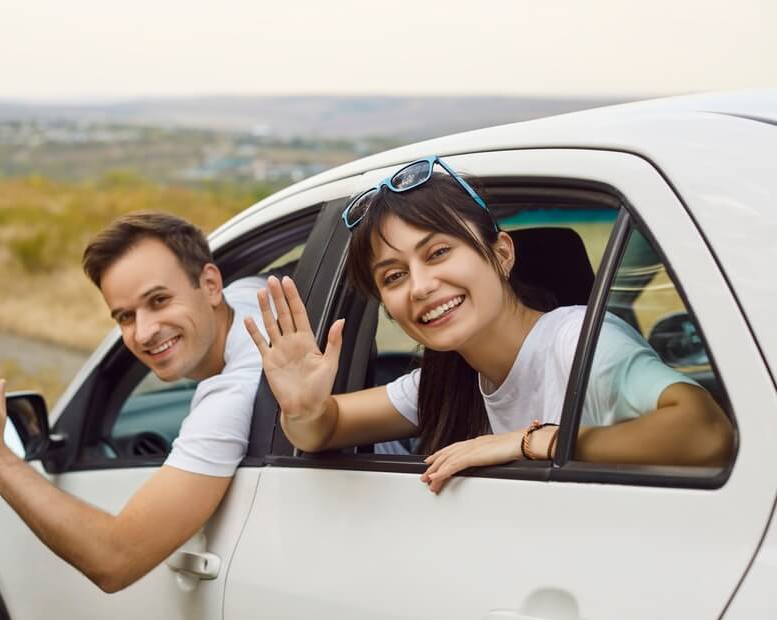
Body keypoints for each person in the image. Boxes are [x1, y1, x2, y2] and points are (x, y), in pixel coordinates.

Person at [244, 157, 733, 494]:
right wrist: (303, 408)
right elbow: (321, 429)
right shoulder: (446, 377)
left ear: (500, 254)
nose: (419, 286)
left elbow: (708, 433)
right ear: (387, 306)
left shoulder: (575, 340)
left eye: (438, 253)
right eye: (394, 276)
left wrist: (532, 442)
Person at [0, 211, 266, 593]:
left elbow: (115, 558)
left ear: (210, 284)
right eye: (125, 316)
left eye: (159, 300)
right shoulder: (254, 294)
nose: (143, 333)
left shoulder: (232, 396)